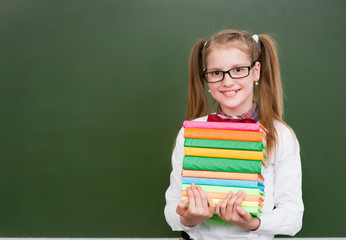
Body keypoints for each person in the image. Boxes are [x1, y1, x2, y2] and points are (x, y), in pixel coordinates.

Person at [164, 29, 304, 240]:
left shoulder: (280, 135)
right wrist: (188, 219)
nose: (227, 81)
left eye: (238, 69)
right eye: (216, 72)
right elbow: (171, 211)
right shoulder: (190, 132)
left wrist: (253, 223)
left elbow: (293, 218)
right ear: (206, 77)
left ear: (256, 71)